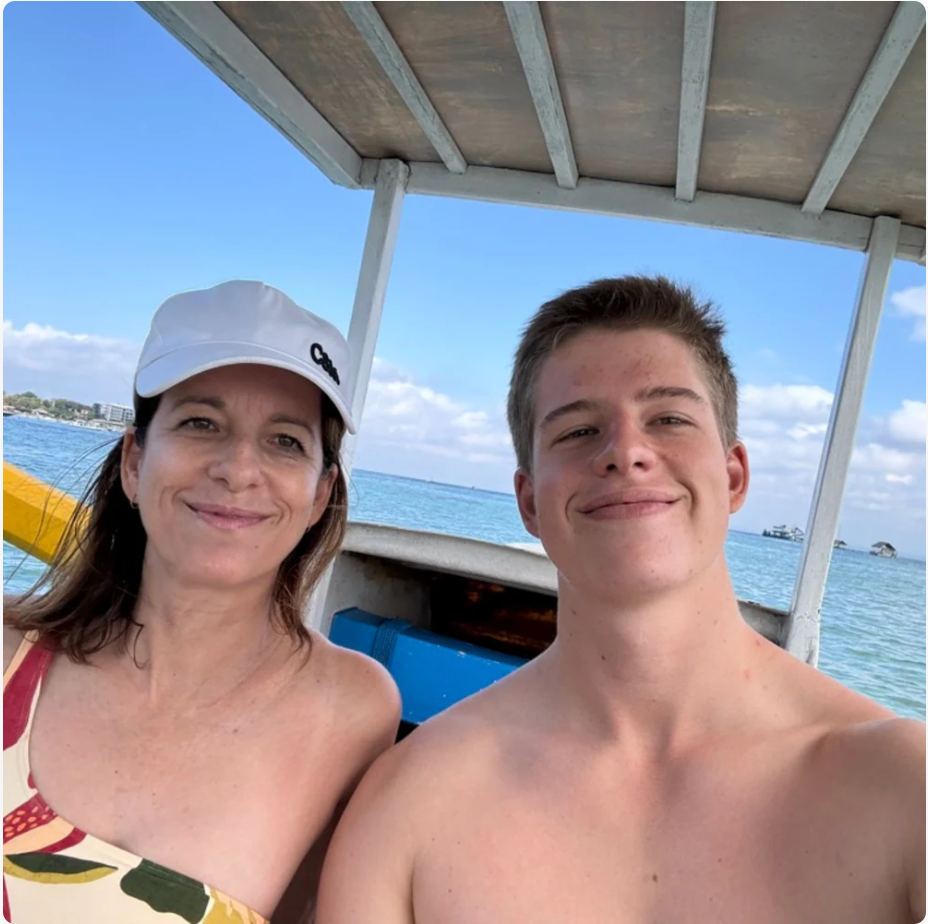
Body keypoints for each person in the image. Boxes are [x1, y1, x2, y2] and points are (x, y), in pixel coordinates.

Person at [317, 276, 925, 924]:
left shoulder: (900, 786)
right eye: (579, 430)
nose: (626, 452)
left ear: (733, 476)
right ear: (529, 501)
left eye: (669, 419)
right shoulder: (409, 803)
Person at [3, 280, 400, 924]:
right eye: (200, 423)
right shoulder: (7, 651)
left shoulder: (353, 710)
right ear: (135, 462)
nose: (237, 469)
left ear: (321, 494)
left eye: (285, 440)